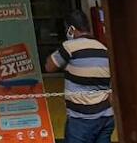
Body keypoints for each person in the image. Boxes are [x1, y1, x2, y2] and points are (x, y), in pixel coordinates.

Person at [45, 11, 113, 143]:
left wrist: (66, 45)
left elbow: (49, 67)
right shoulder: (103, 49)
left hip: (82, 120)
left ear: (71, 29)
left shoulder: (70, 47)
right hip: (106, 117)